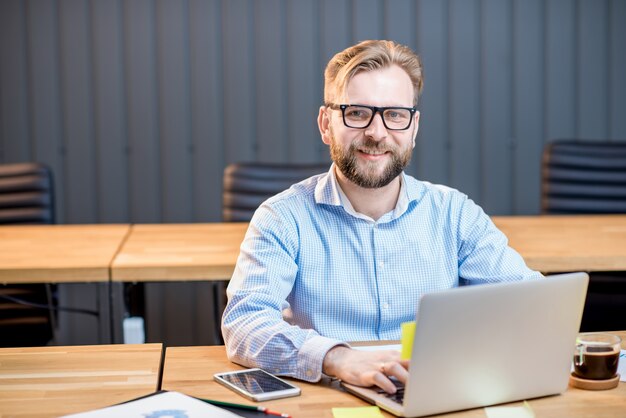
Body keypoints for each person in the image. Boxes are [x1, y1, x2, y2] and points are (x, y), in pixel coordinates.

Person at [221, 39, 542, 395]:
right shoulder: (282, 217)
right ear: (326, 124)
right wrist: (338, 358)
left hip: (432, 395)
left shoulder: (455, 214)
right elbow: (245, 323)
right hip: (329, 393)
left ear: (414, 128)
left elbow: (533, 304)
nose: (376, 132)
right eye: (356, 113)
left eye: (395, 115)